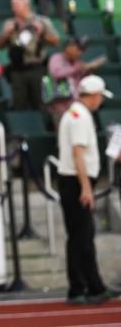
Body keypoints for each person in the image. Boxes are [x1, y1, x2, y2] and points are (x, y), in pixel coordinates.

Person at [57, 75, 114, 305]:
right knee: (82, 236)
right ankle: (84, 286)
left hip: (70, 180)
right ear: (94, 95)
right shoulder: (80, 117)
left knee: (80, 236)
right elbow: (77, 153)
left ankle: (90, 285)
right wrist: (86, 187)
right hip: (75, 180)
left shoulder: (72, 113)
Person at [0, 0, 60, 112]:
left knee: (40, 103)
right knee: (19, 104)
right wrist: (7, 34)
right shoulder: (10, 23)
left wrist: (42, 33)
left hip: (36, 67)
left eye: (16, 5)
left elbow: (56, 41)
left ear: (26, 4)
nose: (14, 8)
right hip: (17, 69)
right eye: (12, 5)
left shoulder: (41, 21)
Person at [46, 37, 94, 128]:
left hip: (74, 106)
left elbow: (80, 82)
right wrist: (74, 69)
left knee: (78, 130)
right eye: (78, 49)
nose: (79, 53)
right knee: (63, 133)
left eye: (81, 51)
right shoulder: (56, 58)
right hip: (59, 105)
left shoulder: (77, 63)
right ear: (69, 47)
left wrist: (88, 72)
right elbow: (55, 73)